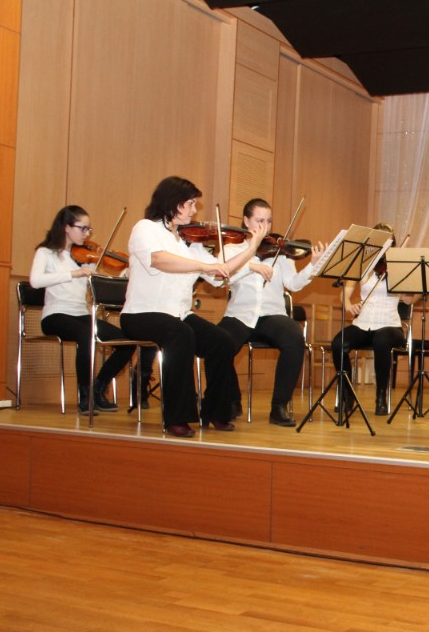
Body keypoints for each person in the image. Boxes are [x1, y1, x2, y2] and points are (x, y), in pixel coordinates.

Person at [120, 176, 268, 438]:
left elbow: (220, 275)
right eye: (189, 203)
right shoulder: (145, 228)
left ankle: (216, 411)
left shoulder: (188, 242)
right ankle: (177, 417)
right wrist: (202, 266)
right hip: (142, 313)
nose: (194, 210)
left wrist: (250, 249)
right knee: (181, 333)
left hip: (178, 315)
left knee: (222, 341)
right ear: (172, 203)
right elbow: (158, 260)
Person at [28, 205, 155, 414]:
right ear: (67, 227)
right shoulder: (46, 253)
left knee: (126, 343)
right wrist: (73, 274)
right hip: (55, 315)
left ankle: (98, 388)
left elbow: (99, 285)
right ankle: (84, 397)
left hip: (81, 314)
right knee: (86, 335)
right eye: (83, 228)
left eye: (89, 229)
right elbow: (35, 281)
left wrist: (123, 275)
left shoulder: (84, 257)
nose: (87, 234)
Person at [218, 198, 325, 427]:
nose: (265, 227)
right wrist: (250, 265)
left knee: (294, 337)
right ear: (246, 221)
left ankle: (279, 406)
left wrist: (313, 265)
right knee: (218, 342)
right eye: (259, 220)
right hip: (239, 314)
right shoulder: (232, 249)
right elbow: (223, 278)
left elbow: (293, 284)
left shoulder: (281, 252)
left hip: (272, 315)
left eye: (268, 221)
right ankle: (231, 400)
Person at [329, 223, 414, 416]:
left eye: (388, 242)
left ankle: (381, 397)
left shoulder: (397, 266)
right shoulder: (363, 264)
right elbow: (345, 293)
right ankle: (347, 395)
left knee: (381, 340)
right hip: (363, 323)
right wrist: (349, 305)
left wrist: (409, 286)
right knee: (338, 343)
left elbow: (409, 300)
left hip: (390, 325)